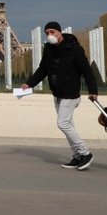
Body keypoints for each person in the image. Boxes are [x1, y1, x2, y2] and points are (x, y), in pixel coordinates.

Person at [22, 21, 99, 171]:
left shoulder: (74, 49)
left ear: (59, 32)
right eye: (47, 33)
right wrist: (29, 84)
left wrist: (93, 91)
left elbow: (87, 71)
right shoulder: (49, 50)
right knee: (69, 125)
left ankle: (85, 153)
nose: (49, 35)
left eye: (52, 32)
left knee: (62, 124)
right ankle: (77, 156)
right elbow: (42, 69)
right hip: (57, 93)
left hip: (70, 94)